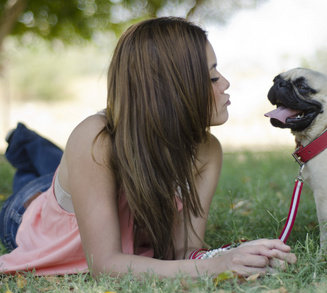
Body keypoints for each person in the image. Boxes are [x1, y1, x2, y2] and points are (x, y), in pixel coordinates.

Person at [0, 17, 296, 278]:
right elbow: (106, 266)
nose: (226, 83)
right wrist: (214, 267)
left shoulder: (207, 151)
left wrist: (237, 257)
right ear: (173, 88)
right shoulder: (96, 138)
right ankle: (23, 142)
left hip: (82, 183)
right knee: (36, 176)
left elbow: (184, 251)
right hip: (28, 217)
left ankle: (36, 150)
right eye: (212, 76)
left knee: (58, 168)